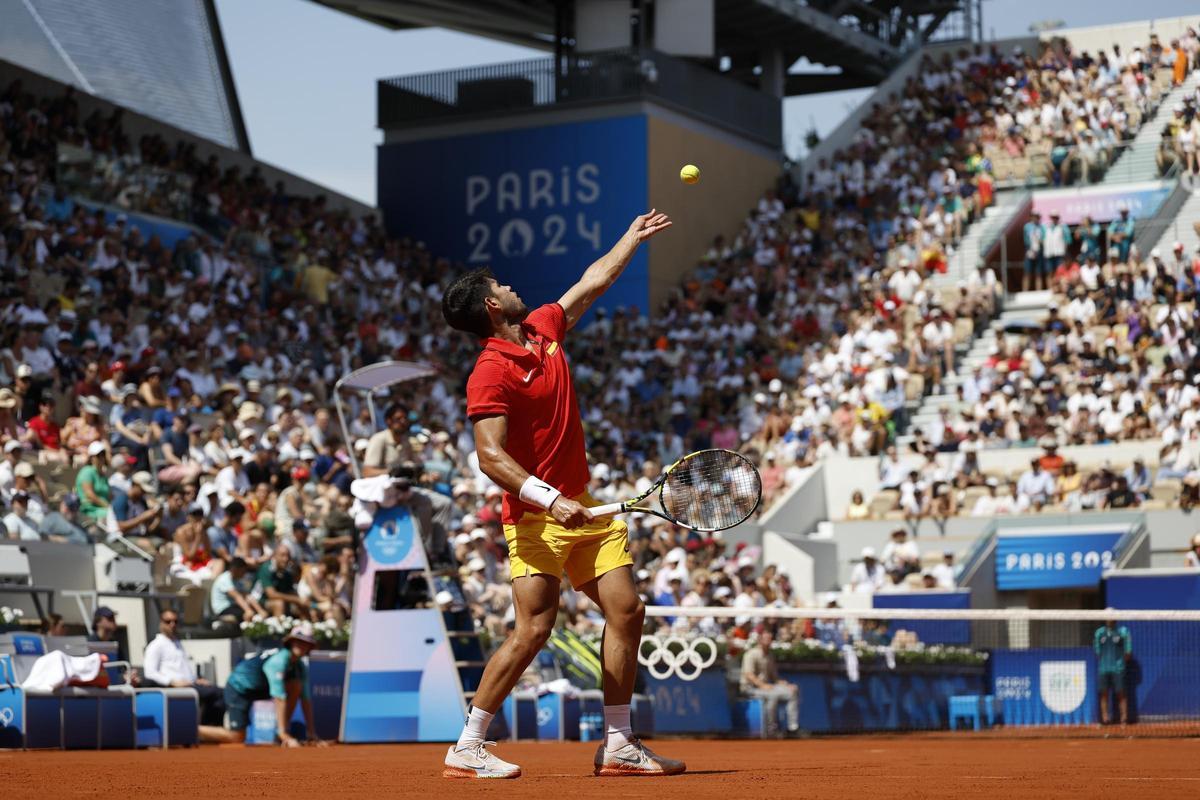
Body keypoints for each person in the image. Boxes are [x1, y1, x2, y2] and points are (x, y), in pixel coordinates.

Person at [439, 210, 683, 779]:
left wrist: (630, 238)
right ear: (490, 307)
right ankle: (468, 744)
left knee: (627, 610)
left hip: (584, 506)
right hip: (534, 518)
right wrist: (550, 499)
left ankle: (620, 743)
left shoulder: (543, 329)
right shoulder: (489, 372)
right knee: (535, 628)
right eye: (501, 285)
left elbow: (592, 282)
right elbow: (489, 457)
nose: (511, 285)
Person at [221, 624, 325, 746]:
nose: (302, 645)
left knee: (295, 685)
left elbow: (306, 700)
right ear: (291, 642)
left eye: (306, 643)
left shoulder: (300, 667)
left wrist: (311, 734)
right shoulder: (278, 661)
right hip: (239, 688)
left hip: (259, 688)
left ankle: (282, 731)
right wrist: (283, 734)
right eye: (298, 641)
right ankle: (196, 731)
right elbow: (279, 698)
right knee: (237, 737)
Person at [142, 609, 227, 736]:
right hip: (174, 687)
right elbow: (150, 673)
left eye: (175, 621)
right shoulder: (155, 645)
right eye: (168, 621)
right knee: (217, 694)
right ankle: (206, 732)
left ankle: (207, 731)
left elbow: (183, 668)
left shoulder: (177, 643)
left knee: (222, 693)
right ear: (161, 623)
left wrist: (196, 679)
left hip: (189, 684)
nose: (172, 624)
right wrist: (172, 682)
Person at [739, 630, 800, 736]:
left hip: (767, 687)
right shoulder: (751, 654)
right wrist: (763, 685)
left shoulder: (770, 656)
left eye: (770, 639)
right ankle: (771, 729)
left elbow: (775, 678)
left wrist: (786, 685)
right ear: (760, 640)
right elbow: (749, 675)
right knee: (773, 695)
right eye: (766, 639)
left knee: (792, 692)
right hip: (750, 688)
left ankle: (792, 727)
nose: (768, 641)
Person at [1094, 616, 1132, 725]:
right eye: (1107, 617)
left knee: (1121, 693)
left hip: (1118, 669)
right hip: (1103, 669)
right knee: (1103, 694)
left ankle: (1124, 718)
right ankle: (1105, 719)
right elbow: (1097, 651)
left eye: (1111, 617)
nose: (1109, 619)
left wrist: (1119, 663)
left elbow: (1128, 652)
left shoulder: (1123, 632)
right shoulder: (1099, 633)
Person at [210, 556, 267, 623]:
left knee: (253, 611)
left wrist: (260, 610)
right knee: (244, 614)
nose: (244, 573)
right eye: (242, 571)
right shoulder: (224, 579)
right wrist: (248, 610)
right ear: (235, 569)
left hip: (234, 606)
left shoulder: (238, 580)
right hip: (222, 609)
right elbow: (237, 597)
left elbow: (247, 596)